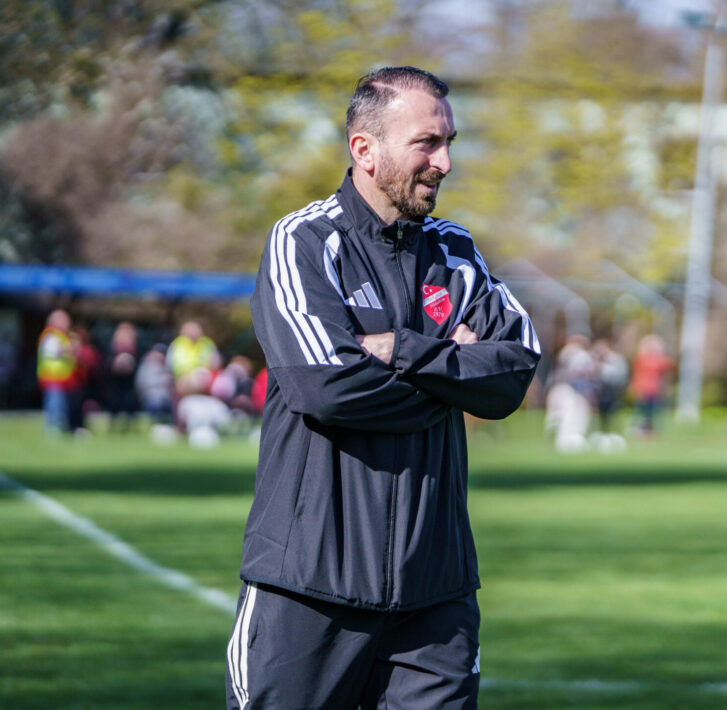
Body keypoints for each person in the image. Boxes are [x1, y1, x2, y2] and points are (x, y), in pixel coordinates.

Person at [227, 66, 541, 710]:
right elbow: (327, 387)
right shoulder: (304, 242)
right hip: (308, 589)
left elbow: (514, 371)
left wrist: (404, 349)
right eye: (427, 143)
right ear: (364, 150)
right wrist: (453, 376)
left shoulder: (456, 253)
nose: (445, 162)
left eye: (449, 142)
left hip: (436, 601)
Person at [37, 309, 76, 435]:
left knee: (60, 406)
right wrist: (69, 349)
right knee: (54, 406)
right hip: (52, 377)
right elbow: (54, 352)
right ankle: (53, 429)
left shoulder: (62, 335)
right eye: (65, 319)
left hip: (61, 379)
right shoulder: (52, 335)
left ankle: (58, 428)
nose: (68, 322)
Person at [628, 334, 674, 437]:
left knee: (654, 411)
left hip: (655, 389)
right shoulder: (642, 358)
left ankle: (651, 430)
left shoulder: (660, 359)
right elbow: (637, 373)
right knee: (642, 410)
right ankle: (640, 429)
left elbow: (670, 366)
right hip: (644, 388)